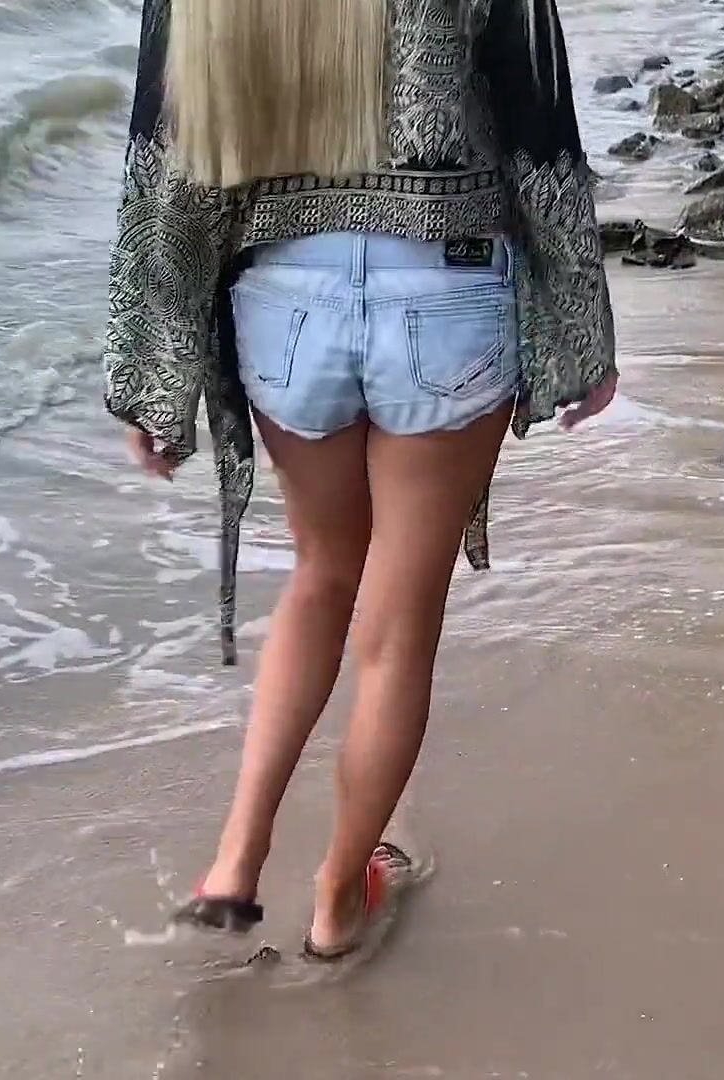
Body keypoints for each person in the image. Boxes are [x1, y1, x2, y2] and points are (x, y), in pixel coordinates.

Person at [104, 0, 617, 961]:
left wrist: (149, 375)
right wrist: (584, 331)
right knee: (397, 624)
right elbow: (539, 128)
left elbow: (163, 165)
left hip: (283, 302)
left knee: (319, 573)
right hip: (446, 291)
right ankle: (339, 897)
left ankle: (234, 863)